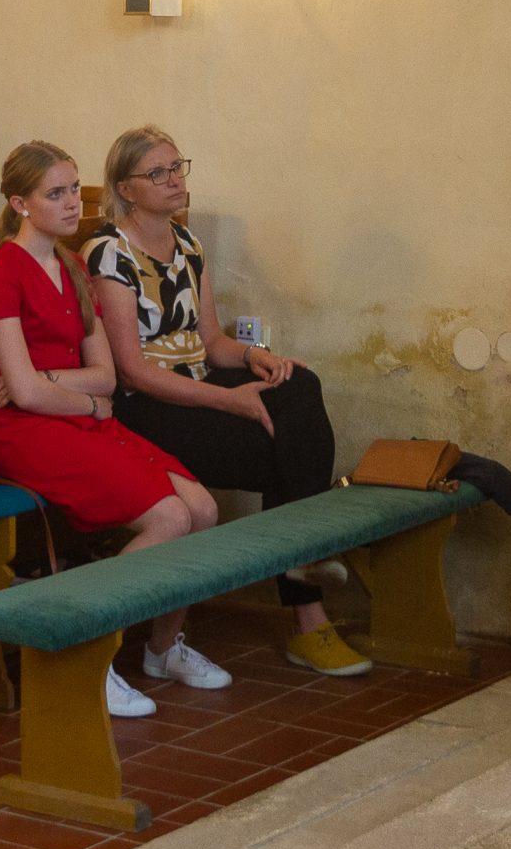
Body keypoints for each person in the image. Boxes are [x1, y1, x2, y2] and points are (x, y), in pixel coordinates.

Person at [86, 127, 369, 678]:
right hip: (146, 408)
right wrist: (228, 401)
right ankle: (308, 605)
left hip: (199, 383)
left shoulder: (187, 244)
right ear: (125, 188)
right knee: (284, 458)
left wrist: (256, 357)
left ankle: (306, 578)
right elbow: (133, 372)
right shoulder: (107, 252)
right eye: (158, 173)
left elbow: (212, 342)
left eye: (177, 167)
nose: (175, 180)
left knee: (300, 385)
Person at [0, 141, 228, 719]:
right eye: (55, 194)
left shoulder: (73, 266)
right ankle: (87, 658)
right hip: (22, 431)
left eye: (73, 190)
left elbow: (104, 374)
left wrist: (61, 386)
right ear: (20, 204)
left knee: (203, 509)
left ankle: (163, 649)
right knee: (168, 517)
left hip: (73, 417)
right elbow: (23, 395)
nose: (72, 204)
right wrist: (84, 403)